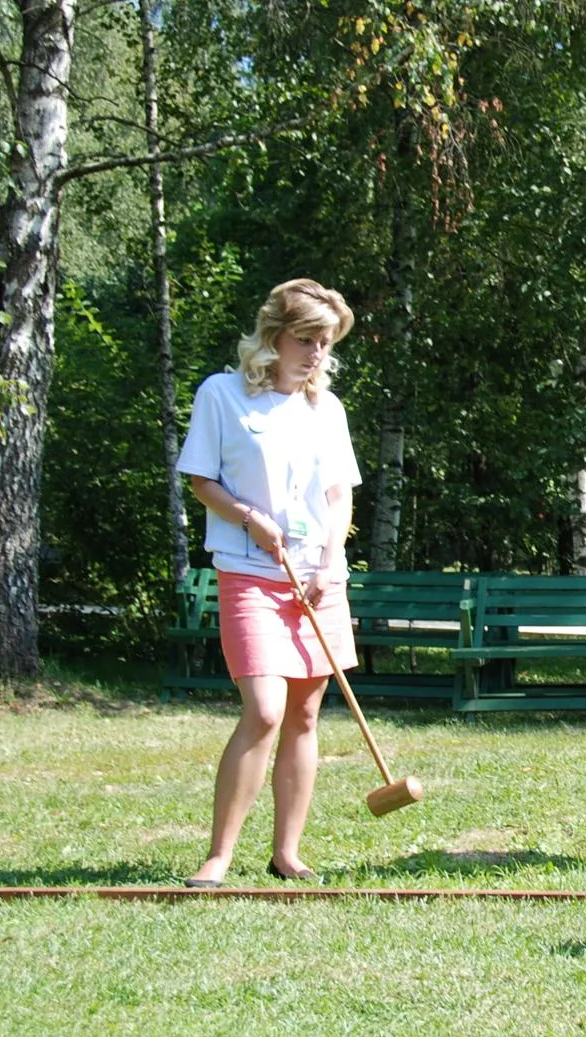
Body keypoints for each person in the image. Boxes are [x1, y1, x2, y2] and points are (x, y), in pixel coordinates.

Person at [177, 279, 363, 888]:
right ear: (273, 337)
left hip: (317, 576)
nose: (316, 354)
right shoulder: (222, 396)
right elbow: (202, 480)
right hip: (251, 572)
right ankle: (219, 856)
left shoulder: (326, 409)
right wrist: (249, 519)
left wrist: (328, 560)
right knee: (263, 711)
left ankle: (287, 853)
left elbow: (339, 497)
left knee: (305, 717)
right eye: (306, 339)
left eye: (326, 343)